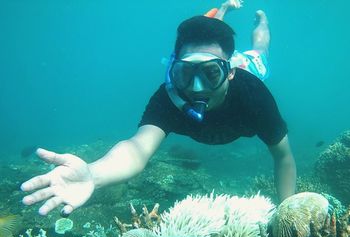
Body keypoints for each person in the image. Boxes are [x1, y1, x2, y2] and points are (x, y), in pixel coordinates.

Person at [21, 5, 296, 217]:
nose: (198, 87)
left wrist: (287, 214)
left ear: (230, 73)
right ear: (173, 69)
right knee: (208, 41)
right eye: (186, 72)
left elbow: (283, 157)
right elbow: (136, 149)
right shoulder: (168, 97)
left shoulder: (253, 95)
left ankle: (259, 20)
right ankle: (219, 13)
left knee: (260, 51)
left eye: (212, 73)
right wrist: (93, 174)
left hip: (250, 65)